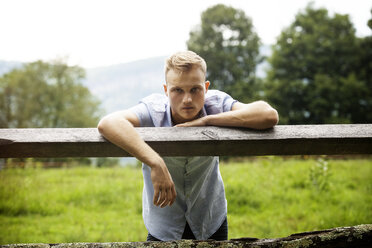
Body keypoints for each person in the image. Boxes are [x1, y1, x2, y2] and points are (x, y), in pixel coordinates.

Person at [97, 51, 279, 241]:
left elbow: (268, 115)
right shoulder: (153, 110)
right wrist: (155, 162)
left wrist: (208, 121)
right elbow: (108, 123)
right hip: (164, 225)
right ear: (166, 90)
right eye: (177, 90)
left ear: (206, 87)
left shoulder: (216, 104)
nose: (187, 99)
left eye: (195, 89)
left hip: (210, 220)